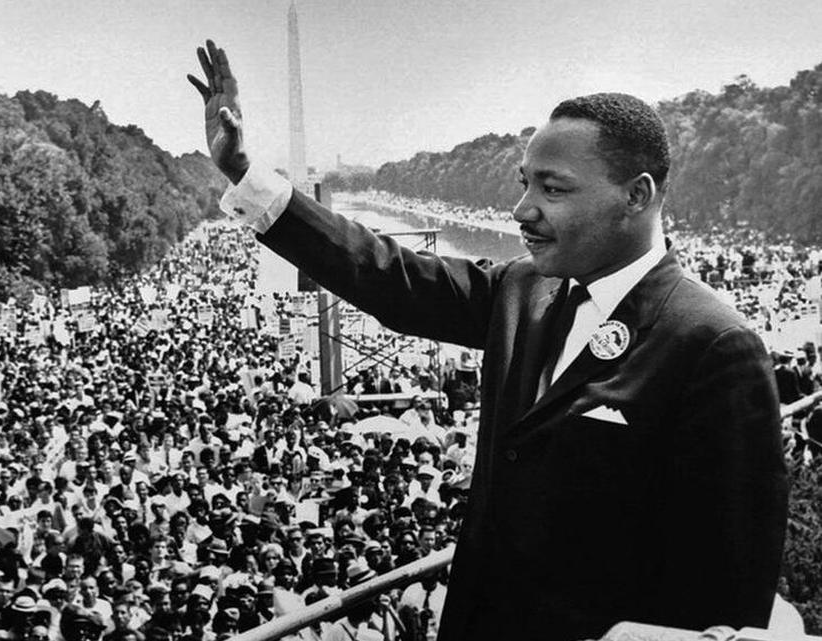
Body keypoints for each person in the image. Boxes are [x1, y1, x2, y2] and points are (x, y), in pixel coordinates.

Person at [188, 40, 788, 640]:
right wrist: (247, 174)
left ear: (637, 196)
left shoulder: (714, 345)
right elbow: (383, 272)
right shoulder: (522, 289)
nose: (521, 210)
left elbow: (728, 591)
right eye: (524, 184)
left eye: (552, 190)